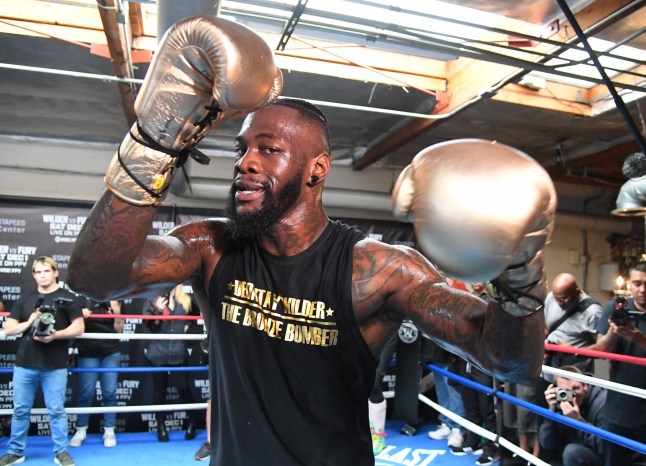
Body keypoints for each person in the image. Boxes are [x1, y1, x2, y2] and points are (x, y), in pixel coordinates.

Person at [67, 15, 555, 465]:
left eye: (269, 149)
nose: (246, 163)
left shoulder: (380, 270)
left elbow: (507, 363)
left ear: (316, 169)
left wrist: (519, 277)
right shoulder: (209, 246)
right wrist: (153, 142)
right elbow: (94, 278)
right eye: (242, 150)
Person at [0, 256, 84, 466]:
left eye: (46, 270)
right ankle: (16, 451)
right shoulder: (26, 299)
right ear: (34, 275)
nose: (43, 275)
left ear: (55, 272)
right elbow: (9, 329)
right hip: (25, 363)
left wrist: (56, 335)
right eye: (38, 271)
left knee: (56, 410)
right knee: (20, 410)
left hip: (55, 365)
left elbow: (79, 327)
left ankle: (61, 451)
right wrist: (29, 322)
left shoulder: (68, 297)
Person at [590, 261, 646, 466]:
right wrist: (615, 330)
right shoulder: (615, 308)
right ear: (629, 284)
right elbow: (601, 351)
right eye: (637, 283)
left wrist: (640, 340)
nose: (643, 290)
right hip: (620, 406)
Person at [451, 283, 499, 466]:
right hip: (466, 357)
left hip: (484, 361)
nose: (476, 281)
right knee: (469, 404)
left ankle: (490, 448)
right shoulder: (464, 298)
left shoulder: (494, 301)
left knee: (487, 407)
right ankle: (473, 440)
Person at [144, 284, 199, 442]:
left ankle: (193, 422)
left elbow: (196, 313)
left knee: (183, 388)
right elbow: (147, 325)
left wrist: (188, 325)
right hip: (157, 353)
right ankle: (160, 427)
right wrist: (157, 311)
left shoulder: (186, 300)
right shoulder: (152, 300)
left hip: (178, 352)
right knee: (159, 391)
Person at [70, 300, 124, 448]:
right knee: (86, 392)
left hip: (111, 351)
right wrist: (81, 316)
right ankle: (81, 430)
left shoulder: (115, 298)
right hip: (88, 351)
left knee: (109, 392)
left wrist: (117, 311)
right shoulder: (84, 298)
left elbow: (119, 329)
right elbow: (74, 326)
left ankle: (109, 430)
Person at [426, 278, 468, 451]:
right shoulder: (434, 287)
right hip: (436, 351)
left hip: (452, 353)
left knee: (453, 390)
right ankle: (446, 423)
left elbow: (457, 320)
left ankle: (458, 428)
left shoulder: (458, 285)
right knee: (441, 389)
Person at [538, 365, 606, 466]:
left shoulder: (602, 402)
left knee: (572, 452)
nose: (572, 394)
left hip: (604, 459)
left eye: (575, 388)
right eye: (565, 391)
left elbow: (606, 447)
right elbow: (547, 444)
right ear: (556, 391)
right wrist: (551, 412)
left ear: (585, 385)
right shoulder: (562, 403)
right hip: (578, 456)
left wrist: (578, 421)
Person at [543, 273, 603, 374]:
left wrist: (574, 350)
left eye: (563, 298)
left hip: (575, 375)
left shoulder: (593, 312)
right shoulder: (550, 298)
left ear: (577, 292)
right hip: (548, 368)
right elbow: (545, 327)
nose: (559, 302)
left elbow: (603, 349)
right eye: (556, 298)